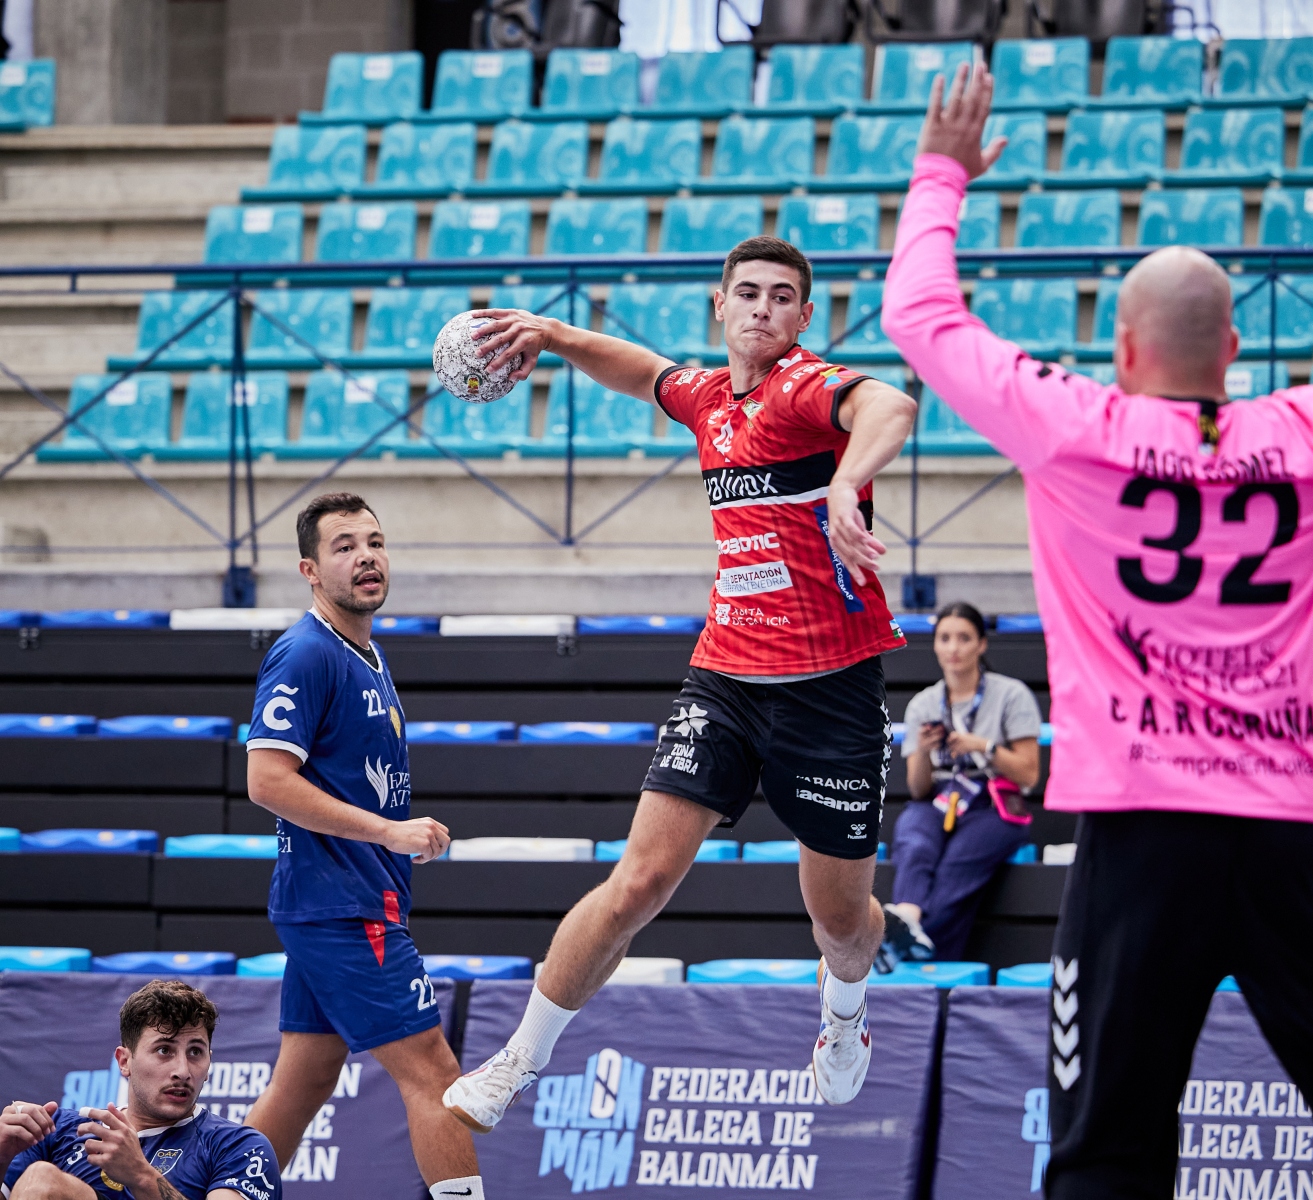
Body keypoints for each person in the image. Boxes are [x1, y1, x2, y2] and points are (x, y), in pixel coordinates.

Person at [882, 61, 1313, 1198]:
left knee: (1104, 1150)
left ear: (1124, 347)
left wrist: (943, 172)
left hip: (1138, 839)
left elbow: (920, 315)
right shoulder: (1308, 431)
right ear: (1231, 352)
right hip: (1282, 834)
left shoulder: (1073, 424)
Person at [442, 235, 920, 1129]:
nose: (764, 308)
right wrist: (552, 333)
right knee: (639, 881)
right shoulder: (707, 398)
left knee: (841, 924)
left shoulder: (804, 389)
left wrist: (847, 482)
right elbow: (643, 372)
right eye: (749, 292)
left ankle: (845, 1011)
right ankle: (517, 1060)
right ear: (721, 304)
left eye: (783, 296)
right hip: (726, 677)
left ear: (803, 317)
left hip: (832, 690)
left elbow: (892, 403)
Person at [241, 492, 484, 1200]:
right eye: (344, 546)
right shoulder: (306, 652)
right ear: (310, 571)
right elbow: (265, 780)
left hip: (345, 900)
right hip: (342, 907)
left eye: (374, 542)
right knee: (436, 1073)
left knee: (304, 1081)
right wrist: (389, 832)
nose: (366, 556)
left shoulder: (366, 652)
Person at [0, 979, 280, 1200]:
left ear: (209, 1063)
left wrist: (141, 1175)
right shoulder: (55, 1129)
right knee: (41, 1179)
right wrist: (2, 1155)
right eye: (164, 1050)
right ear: (125, 1062)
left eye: (195, 1051)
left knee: (45, 1181)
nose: (183, 1071)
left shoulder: (240, 1147)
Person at [881, 601, 1041, 967]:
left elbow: (1029, 773)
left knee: (956, 868)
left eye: (964, 638)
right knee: (913, 837)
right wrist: (924, 750)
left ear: (982, 644)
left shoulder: (1012, 694)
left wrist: (983, 746)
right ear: (935, 645)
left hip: (995, 802)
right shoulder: (923, 703)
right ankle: (907, 916)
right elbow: (918, 789)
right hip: (939, 797)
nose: (953, 648)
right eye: (945, 638)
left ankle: (909, 952)